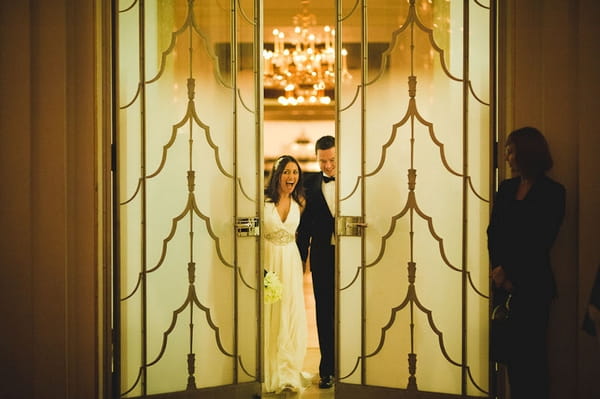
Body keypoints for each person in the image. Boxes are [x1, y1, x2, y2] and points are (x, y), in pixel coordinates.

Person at [487, 126, 565, 399]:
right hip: (503, 286)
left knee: (534, 361)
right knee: (510, 358)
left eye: (510, 151)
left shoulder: (553, 192)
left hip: (533, 286)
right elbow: (493, 232)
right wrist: (498, 269)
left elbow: (541, 239)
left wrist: (509, 273)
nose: (507, 158)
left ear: (526, 153)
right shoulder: (506, 189)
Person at [263, 155, 308, 393]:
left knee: (290, 311)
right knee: (270, 312)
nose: (291, 177)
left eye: (295, 172)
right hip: (269, 259)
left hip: (290, 261)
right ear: (277, 175)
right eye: (286, 172)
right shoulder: (263, 203)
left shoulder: (300, 202)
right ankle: (269, 369)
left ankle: (288, 371)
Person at [297, 135, 336, 389]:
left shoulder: (358, 180)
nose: (328, 166)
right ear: (316, 158)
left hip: (355, 257)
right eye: (323, 161)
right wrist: (298, 263)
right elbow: (305, 227)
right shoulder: (310, 185)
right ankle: (327, 370)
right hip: (323, 257)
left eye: (332, 160)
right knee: (324, 313)